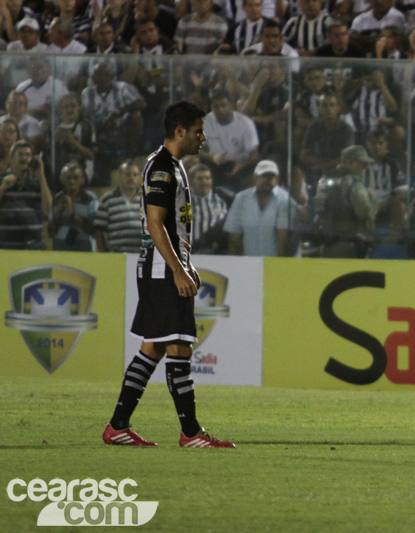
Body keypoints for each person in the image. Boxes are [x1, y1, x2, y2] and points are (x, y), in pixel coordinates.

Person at [102, 101, 235, 448]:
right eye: (198, 131)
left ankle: (118, 426)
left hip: (164, 268)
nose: (203, 137)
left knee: (155, 348)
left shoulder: (170, 166)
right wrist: (178, 270)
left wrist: (186, 265)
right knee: (179, 348)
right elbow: (155, 224)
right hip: (162, 271)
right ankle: (190, 433)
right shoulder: (162, 167)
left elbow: (172, 227)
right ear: (180, 132)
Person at [313, 145, 375, 258]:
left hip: (326, 245)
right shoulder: (354, 182)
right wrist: (372, 198)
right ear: (352, 163)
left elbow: (318, 210)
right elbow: (364, 212)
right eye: (363, 164)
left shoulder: (324, 179)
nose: (365, 168)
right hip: (348, 246)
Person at [224, 159, 294, 257]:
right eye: (263, 176)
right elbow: (234, 236)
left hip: (275, 264)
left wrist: (281, 266)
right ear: (255, 177)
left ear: (277, 178)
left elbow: (283, 238)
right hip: (248, 264)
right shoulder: (241, 198)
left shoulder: (285, 199)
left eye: (271, 176)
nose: (267, 180)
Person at [0, 140, 52, 250]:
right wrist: (3, 187)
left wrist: (41, 176)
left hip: (33, 245)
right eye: (20, 154)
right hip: (5, 245)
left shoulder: (38, 182)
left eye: (28, 155)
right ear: (11, 157)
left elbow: (47, 210)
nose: (24, 158)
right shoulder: (2, 179)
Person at [94, 159, 143, 253]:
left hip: (142, 256)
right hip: (117, 256)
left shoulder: (149, 200)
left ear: (139, 177)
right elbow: (99, 230)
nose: (131, 178)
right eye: (128, 174)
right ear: (119, 176)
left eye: (135, 174)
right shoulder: (107, 199)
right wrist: (105, 254)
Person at [48, 162, 98, 251]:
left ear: (82, 179)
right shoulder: (56, 198)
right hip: (61, 248)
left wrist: (72, 215)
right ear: (61, 180)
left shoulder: (90, 199)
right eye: (68, 178)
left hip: (84, 249)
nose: (72, 181)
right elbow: (50, 232)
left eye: (76, 178)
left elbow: (94, 230)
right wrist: (59, 212)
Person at [189, 163, 229, 255]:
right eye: (200, 178)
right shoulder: (179, 200)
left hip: (216, 253)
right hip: (189, 253)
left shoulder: (223, 197)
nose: (204, 182)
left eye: (207, 178)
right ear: (191, 181)